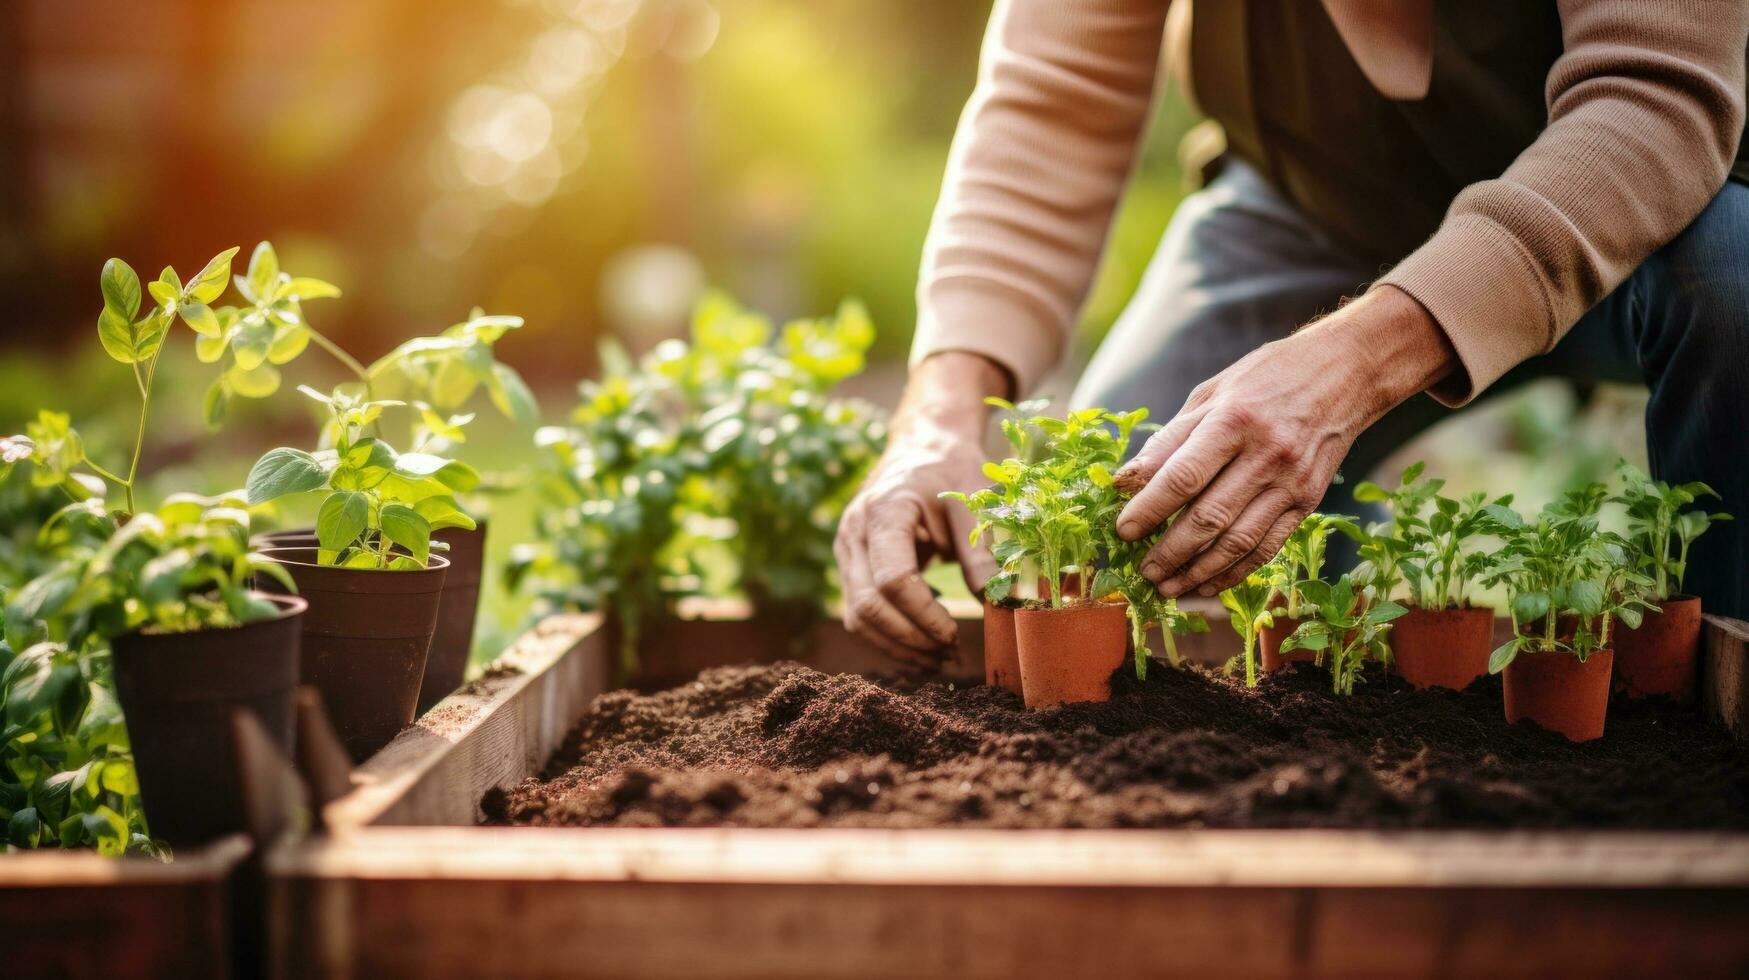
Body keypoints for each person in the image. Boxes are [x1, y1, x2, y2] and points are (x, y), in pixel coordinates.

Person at [833, 0, 1749, 668]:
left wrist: (1351, 364)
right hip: (1314, 210)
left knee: (1734, 286)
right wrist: (939, 414)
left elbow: (1649, 97)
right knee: (1126, 527)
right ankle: (1320, 690)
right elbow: (1049, 101)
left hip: (1661, 207)